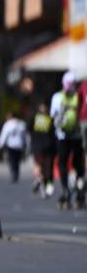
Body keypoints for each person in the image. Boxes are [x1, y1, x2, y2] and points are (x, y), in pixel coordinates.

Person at [50, 71, 85, 210]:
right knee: (78, 165)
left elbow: (53, 115)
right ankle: (80, 189)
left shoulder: (57, 97)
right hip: (77, 136)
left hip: (62, 136)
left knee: (63, 164)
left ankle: (65, 190)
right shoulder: (80, 96)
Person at [29, 102, 56, 197]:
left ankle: (40, 179)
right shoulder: (49, 119)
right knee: (44, 167)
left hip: (42, 147)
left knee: (43, 166)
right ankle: (44, 183)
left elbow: (28, 129)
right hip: (43, 147)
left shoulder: (36, 118)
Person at [0, 111, 28, 184]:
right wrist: (25, 144)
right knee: (17, 160)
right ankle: (16, 172)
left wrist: (0, 144)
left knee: (12, 160)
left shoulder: (8, 124)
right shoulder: (22, 124)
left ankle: (13, 172)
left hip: (11, 145)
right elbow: (25, 136)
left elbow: (4, 135)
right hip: (19, 145)